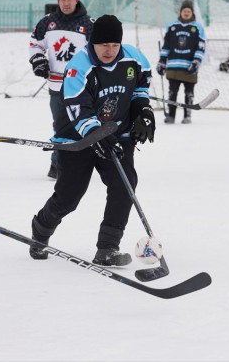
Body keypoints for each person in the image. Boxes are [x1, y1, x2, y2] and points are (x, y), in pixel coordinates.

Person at [29, 15, 155, 266]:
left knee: (125, 186)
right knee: (69, 196)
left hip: (118, 134)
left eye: (114, 45)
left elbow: (141, 87)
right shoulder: (79, 66)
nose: (109, 51)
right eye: (103, 45)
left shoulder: (134, 58)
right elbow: (77, 106)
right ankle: (40, 231)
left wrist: (143, 111)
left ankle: (108, 248)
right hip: (77, 137)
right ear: (92, 43)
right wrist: (95, 133)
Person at [28, 0, 93, 179]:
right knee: (60, 125)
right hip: (56, 85)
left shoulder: (88, 24)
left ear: (76, 0)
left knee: (83, 123)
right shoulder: (47, 22)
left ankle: (84, 164)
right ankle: (57, 166)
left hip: (81, 86)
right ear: (58, 0)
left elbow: (97, 51)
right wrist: (38, 60)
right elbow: (35, 44)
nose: (66, 3)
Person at [156, 0, 206, 124]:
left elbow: (201, 47)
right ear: (181, 12)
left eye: (189, 11)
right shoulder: (172, 27)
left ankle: (187, 115)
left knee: (189, 93)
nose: (186, 13)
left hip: (189, 66)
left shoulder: (197, 28)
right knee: (172, 92)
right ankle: (171, 115)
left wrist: (196, 61)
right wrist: (162, 61)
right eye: (184, 10)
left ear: (192, 12)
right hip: (173, 66)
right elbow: (166, 46)